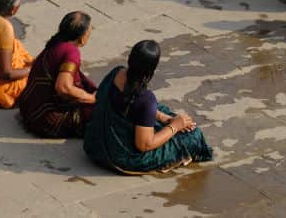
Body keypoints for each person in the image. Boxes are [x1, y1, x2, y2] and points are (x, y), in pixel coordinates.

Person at [84, 40, 213, 174]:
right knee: (193, 136)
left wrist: (162, 117)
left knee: (160, 109)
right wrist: (175, 126)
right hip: (121, 158)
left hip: (94, 145)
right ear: (152, 69)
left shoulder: (115, 73)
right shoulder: (145, 99)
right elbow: (144, 144)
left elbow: (105, 99)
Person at [20, 11, 97, 138]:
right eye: (89, 32)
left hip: (29, 109)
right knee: (104, 112)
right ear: (82, 38)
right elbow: (63, 88)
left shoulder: (56, 43)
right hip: (45, 121)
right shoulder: (71, 52)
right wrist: (91, 99)